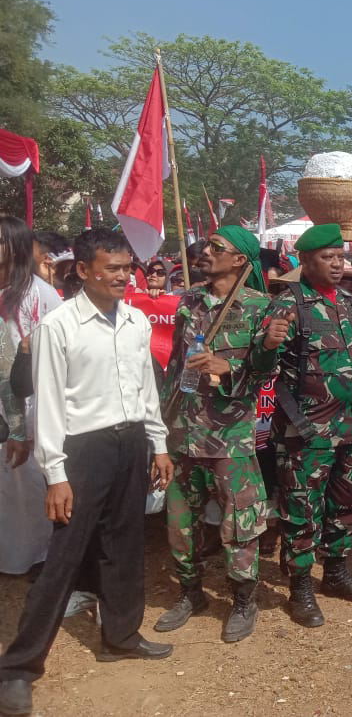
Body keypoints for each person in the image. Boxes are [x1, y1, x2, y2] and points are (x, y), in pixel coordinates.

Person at [0, 229, 175, 717]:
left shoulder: (136, 321)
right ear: (83, 270)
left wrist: (158, 444)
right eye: (112, 268)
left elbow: (146, 390)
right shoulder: (60, 327)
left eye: (127, 268)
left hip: (130, 442)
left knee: (125, 544)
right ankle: (18, 668)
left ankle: (119, 635)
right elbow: (50, 403)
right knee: (64, 555)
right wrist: (55, 473)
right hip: (83, 449)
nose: (124, 276)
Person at [154, 227, 286, 643]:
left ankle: (243, 599)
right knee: (181, 522)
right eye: (206, 246)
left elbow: (268, 369)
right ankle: (190, 593)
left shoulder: (260, 307)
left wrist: (228, 368)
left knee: (239, 522)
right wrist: (160, 424)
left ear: (240, 261)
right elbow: (176, 365)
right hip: (182, 430)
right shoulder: (188, 301)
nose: (205, 253)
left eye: (217, 248)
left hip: (229, 435)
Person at [266, 223, 352, 628]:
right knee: (301, 509)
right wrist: (266, 345)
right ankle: (300, 586)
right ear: (306, 261)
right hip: (305, 432)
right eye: (327, 258)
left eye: (340, 256)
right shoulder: (288, 305)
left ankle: (335, 572)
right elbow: (267, 372)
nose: (337, 264)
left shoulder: (347, 302)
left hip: (348, 427)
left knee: (345, 502)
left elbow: (351, 359)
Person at [0, 217, 63, 578]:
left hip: (28, 403)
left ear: (15, 247)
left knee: (29, 481)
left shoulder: (39, 294)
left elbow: (50, 357)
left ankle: (39, 556)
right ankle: (10, 553)